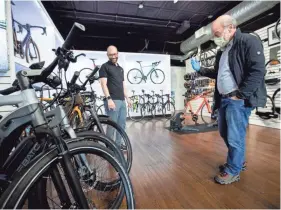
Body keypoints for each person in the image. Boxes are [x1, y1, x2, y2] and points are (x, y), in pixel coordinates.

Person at [191, 15, 266, 184]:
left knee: (234, 136)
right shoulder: (224, 50)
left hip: (237, 100)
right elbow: (218, 74)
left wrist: (240, 95)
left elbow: (257, 71)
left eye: (217, 34)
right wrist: (201, 69)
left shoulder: (247, 41)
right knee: (225, 133)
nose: (215, 38)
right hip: (225, 99)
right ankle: (238, 161)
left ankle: (233, 170)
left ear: (230, 28)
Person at [99, 45, 132, 149]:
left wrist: (127, 97)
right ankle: (108, 147)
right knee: (111, 126)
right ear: (107, 55)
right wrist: (109, 99)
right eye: (111, 55)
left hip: (121, 100)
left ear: (117, 53)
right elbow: (103, 84)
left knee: (121, 125)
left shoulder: (120, 69)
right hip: (112, 100)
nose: (113, 56)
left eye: (115, 54)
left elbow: (122, 85)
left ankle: (118, 144)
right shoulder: (104, 67)